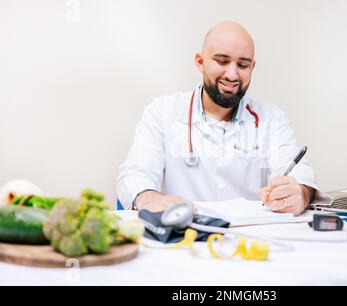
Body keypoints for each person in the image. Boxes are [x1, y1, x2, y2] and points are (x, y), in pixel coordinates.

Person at [117, 21, 330, 216]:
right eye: (222, 61)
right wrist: (147, 197)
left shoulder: (271, 118)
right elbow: (136, 173)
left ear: (252, 67)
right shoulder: (162, 111)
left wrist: (301, 193)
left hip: (252, 241)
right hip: (186, 238)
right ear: (200, 62)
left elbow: (297, 170)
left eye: (243, 65)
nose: (232, 75)